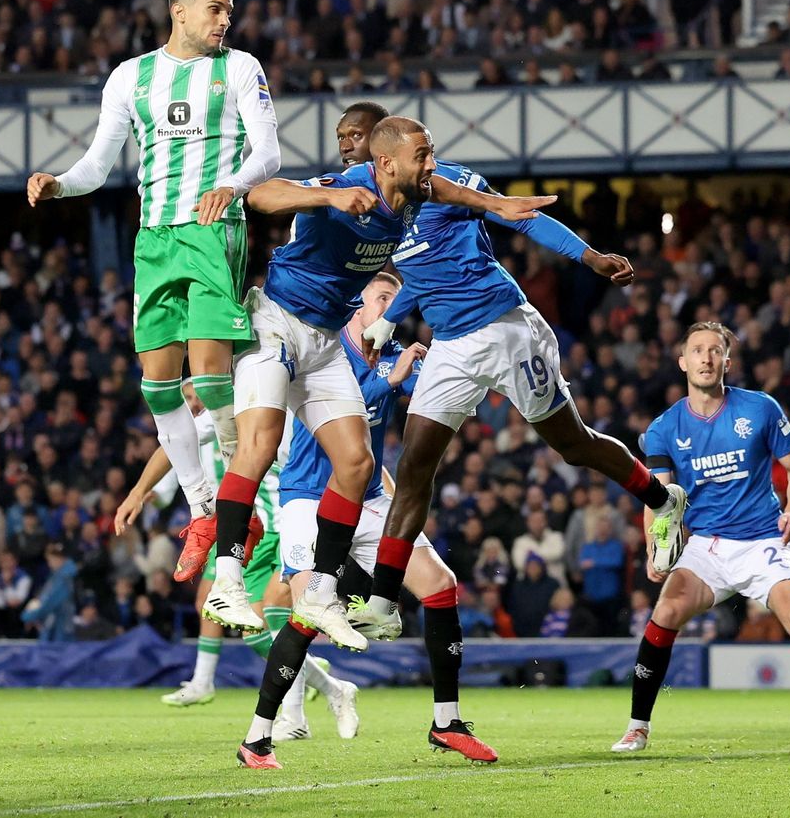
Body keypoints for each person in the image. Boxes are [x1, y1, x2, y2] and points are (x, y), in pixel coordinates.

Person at [329, 107, 686, 641]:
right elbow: (424, 272)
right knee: (414, 467)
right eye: (343, 139)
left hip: (506, 329)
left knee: (574, 445)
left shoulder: (449, 185)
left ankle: (663, 499)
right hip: (449, 345)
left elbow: (523, 215)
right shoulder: (375, 207)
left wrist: (588, 257)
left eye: (352, 136)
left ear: (383, 146)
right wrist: (387, 321)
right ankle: (383, 600)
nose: (344, 147)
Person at [193, 114, 550, 648]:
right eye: (422, 157)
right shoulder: (350, 185)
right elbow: (263, 195)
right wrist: (328, 200)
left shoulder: (415, 195)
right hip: (276, 320)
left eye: (430, 155)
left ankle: (319, 591)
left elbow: (449, 189)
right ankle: (226, 582)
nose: (432, 166)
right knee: (261, 445)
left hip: (324, 338)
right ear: (386, 164)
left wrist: (497, 205)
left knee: (358, 465)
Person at [25, 0, 282, 578]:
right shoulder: (130, 77)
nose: (226, 20)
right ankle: (203, 508)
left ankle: (236, 496)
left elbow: (268, 152)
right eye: (216, 9)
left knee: (211, 372)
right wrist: (59, 184)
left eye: (229, 10)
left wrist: (233, 185)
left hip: (213, 228)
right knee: (160, 386)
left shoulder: (241, 68)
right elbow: (97, 164)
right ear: (180, 11)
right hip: (153, 240)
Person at [241, 272, 494, 768]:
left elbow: (438, 400)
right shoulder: (326, 351)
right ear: (357, 306)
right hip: (310, 501)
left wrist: (463, 369)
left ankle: (447, 722)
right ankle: (258, 737)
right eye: (383, 299)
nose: (391, 311)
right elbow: (348, 405)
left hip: (371, 499)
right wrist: (391, 379)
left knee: (441, 585)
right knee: (307, 610)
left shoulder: (394, 354)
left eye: (398, 303)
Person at [611, 323, 790, 755]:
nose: (706, 358)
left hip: (762, 540)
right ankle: (637, 727)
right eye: (697, 351)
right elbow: (657, 496)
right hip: (707, 546)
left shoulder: (759, 408)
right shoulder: (665, 427)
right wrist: (654, 544)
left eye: (715, 351)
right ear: (683, 361)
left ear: (727, 361)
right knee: (665, 610)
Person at [114, 384, 352, 726]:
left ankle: (294, 719)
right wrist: (138, 492)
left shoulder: (283, 402)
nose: (195, 404)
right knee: (251, 629)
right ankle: (327, 686)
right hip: (249, 529)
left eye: (197, 396)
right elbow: (172, 446)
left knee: (276, 610)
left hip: (294, 521)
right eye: (191, 398)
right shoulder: (219, 417)